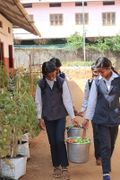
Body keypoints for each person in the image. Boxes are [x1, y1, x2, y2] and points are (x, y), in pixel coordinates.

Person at [35, 61, 79, 179]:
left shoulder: (61, 82)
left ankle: (64, 166)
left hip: (60, 116)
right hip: (48, 117)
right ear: (45, 73)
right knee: (52, 142)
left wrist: (72, 117)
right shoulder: (40, 84)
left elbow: (67, 100)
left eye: (54, 71)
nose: (52, 75)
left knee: (59, 140)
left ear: (56, 70)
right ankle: (56, 166)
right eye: (49, 73)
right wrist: (39, 118)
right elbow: (38, 102)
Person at [82, 57, 120, 180]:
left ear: (109, 69)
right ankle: (105, 172)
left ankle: (106, 163)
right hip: (100, 118)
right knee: (105, 145)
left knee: (112, 144)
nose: (100, 74)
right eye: (98, 72)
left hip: (114, 117)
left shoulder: (118, 80)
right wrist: (87, 118)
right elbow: (92, 101)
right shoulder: (96, 82)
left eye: (102, 71)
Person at [78, 64, 101, 165]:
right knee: (97, 134)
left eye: (98, 72)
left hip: (105, 112)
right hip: (94, 113)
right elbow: (86, 97)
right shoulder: (89, 83)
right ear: (92, 71)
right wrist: (83, 110)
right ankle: (98, 156)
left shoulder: (106, 82)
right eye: (94, 72)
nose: (96, 74)